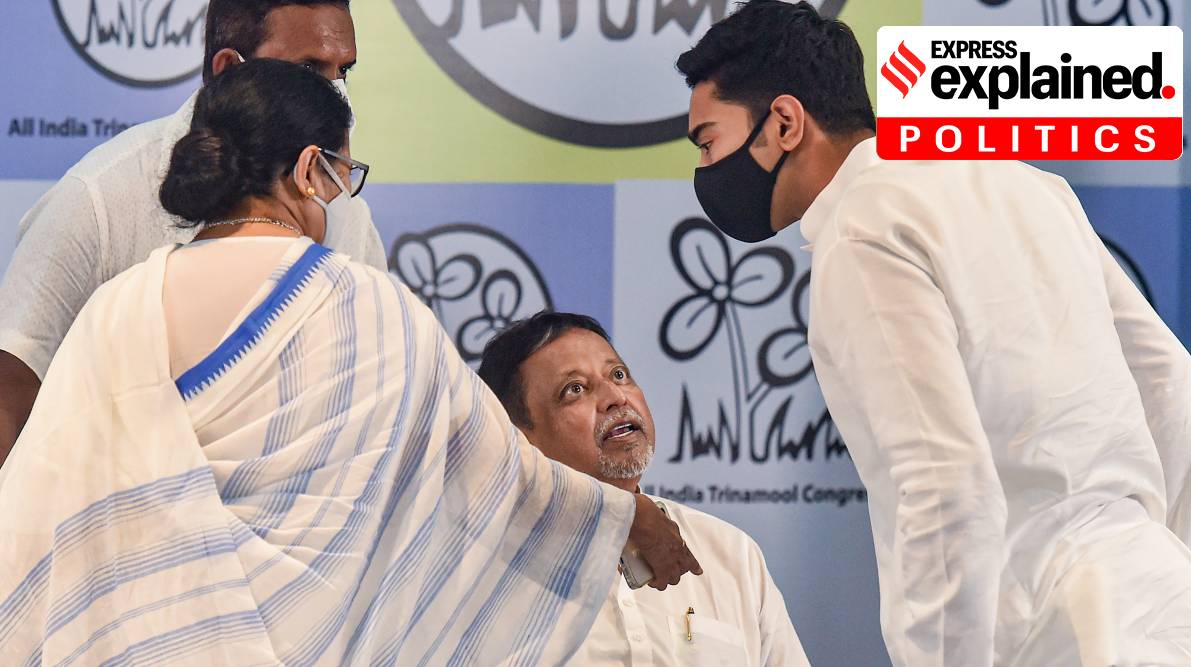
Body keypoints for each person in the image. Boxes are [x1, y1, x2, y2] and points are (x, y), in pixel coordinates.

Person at [0, 59, 701, 665]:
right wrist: (622, 520)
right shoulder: (369, 304)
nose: (338, 199)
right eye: (340, 174)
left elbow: (35, 510)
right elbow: (495, 471)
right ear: (308, 169)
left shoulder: (117, 309)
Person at [677, 1, 1191, 665]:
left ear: (783, 122)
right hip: (1168, 600)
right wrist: (1170, 561)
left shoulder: (865, 231)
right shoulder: (1028, 183)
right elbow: (1169, 377)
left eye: (707, 140)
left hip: (1053, 631)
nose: (706, 168)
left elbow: (946, 487)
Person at [0, 0, 388, 464]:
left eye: (343, 71)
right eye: (308, 69)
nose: (335, 94)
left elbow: (379, 392)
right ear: (229, 69)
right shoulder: (100, 197)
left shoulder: (344, 209)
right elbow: (13, 388)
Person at [478, 311, 809, 667]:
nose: (615, 397)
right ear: (520, 437)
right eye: (574, 389)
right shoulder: (482, 576)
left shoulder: (729, 553)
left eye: (619, 375)